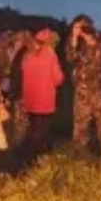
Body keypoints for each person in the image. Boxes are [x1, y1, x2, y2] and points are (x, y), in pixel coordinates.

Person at [66, 15, 101, 153]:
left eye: (85, 25)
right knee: (81, 122)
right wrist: (74, 37)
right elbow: (70, 59)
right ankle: (80, 151)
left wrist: (89, 38)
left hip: (100, 88)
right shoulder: (75, 42)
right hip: (82, 88)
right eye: (80, 26)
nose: (83, 29)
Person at [20, 28, 65, 162]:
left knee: (33, 128)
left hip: (30, 98)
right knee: (43, 131)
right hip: (45, 100)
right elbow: (58, 78)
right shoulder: (51, 54)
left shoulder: (28, 54)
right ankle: (40, 156)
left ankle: (28, 152)